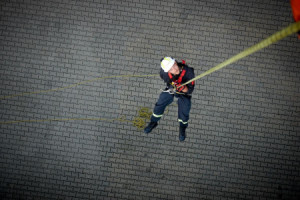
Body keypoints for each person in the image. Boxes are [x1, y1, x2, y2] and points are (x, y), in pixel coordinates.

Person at [144, 57, 195, 141]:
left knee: (185, 109)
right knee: (160, 103)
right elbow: (165, 79)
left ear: (175, 62)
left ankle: (182, 127)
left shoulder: (189, 72)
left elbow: (190, 90)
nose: (174, 69)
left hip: (183, 93)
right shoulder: (164, 73)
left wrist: (182, 88)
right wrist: (172, 86)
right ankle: (153, 122)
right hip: (171, 89)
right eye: (170, 69)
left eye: (173, 65)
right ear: (167, 71)